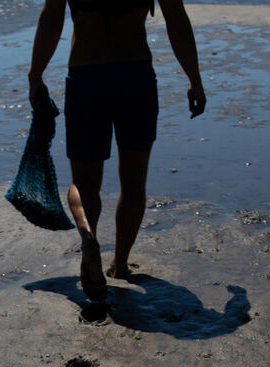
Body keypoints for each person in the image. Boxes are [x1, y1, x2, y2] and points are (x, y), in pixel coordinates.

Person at [28, 0, 206, 300]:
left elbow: (51, 20)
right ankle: (120, 264)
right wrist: (195, 79)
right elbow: (177, 21)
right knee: (134, 181)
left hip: (86, 76)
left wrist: (36, 75)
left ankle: (89, 238)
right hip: (135, 76)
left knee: (84, 182)